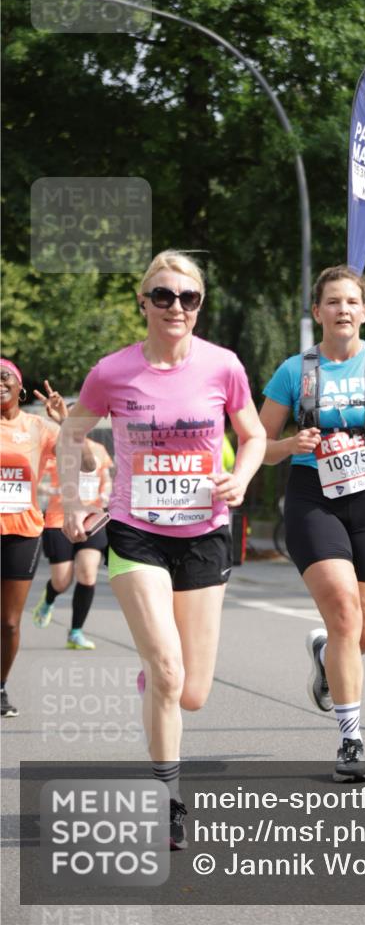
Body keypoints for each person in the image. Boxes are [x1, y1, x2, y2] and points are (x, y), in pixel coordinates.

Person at [58, 250, 266, 849]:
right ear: (144, 302)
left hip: (205, 532)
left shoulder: (223, 366)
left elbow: (252, 434)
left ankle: (157, 677)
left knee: (191, 692)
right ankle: (168, 798)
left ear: (199, 306)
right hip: (135, 530)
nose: (177, 307)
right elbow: (72, 432)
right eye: (165, 296)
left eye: (189, 298)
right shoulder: (113, 371)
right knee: (170, 673)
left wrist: (244, 476)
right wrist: (71, 503)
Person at [260, 265, 365, 782]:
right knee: (342, 610)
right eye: (332, 302)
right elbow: (257, 446)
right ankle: (351, 742)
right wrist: (291, 445)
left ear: (364, 310)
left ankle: (325, 654)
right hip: (315, 497)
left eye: (352, 302)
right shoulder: (295, 371)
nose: (343, 310)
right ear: (318, 313)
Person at [0, 365, 77, 716]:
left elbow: (86, 464)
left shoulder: (37, 428)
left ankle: (0, 688)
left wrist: (66, 424)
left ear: (21, 389)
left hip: (22, 531)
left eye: (5, 375)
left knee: (10, 622)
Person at [33, 425, 113, 649]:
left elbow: (105, 477)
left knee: (88, 575)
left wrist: (106, 493)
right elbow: (36, 480)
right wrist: (53, 491)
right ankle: (49, 599)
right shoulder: (56, 449)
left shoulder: (97, 449)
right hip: (60, 518)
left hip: (91, 517)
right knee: (62, 580)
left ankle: (76, 632)